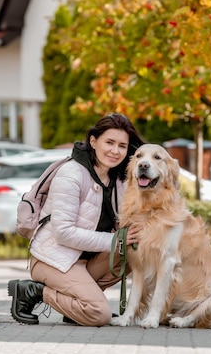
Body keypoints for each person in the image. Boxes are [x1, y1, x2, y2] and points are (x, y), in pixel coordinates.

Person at [8, 113, 146, 326]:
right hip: (52, 259)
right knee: (99, 314)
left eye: (122, 145)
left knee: (131, 251)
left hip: (84, 261)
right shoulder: (71, 173)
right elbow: (63, 233)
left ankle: (75, 308)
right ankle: (34, 291)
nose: (115, 151)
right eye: (109, 142)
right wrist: (114, 241)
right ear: (93, 141)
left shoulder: (118, 180)